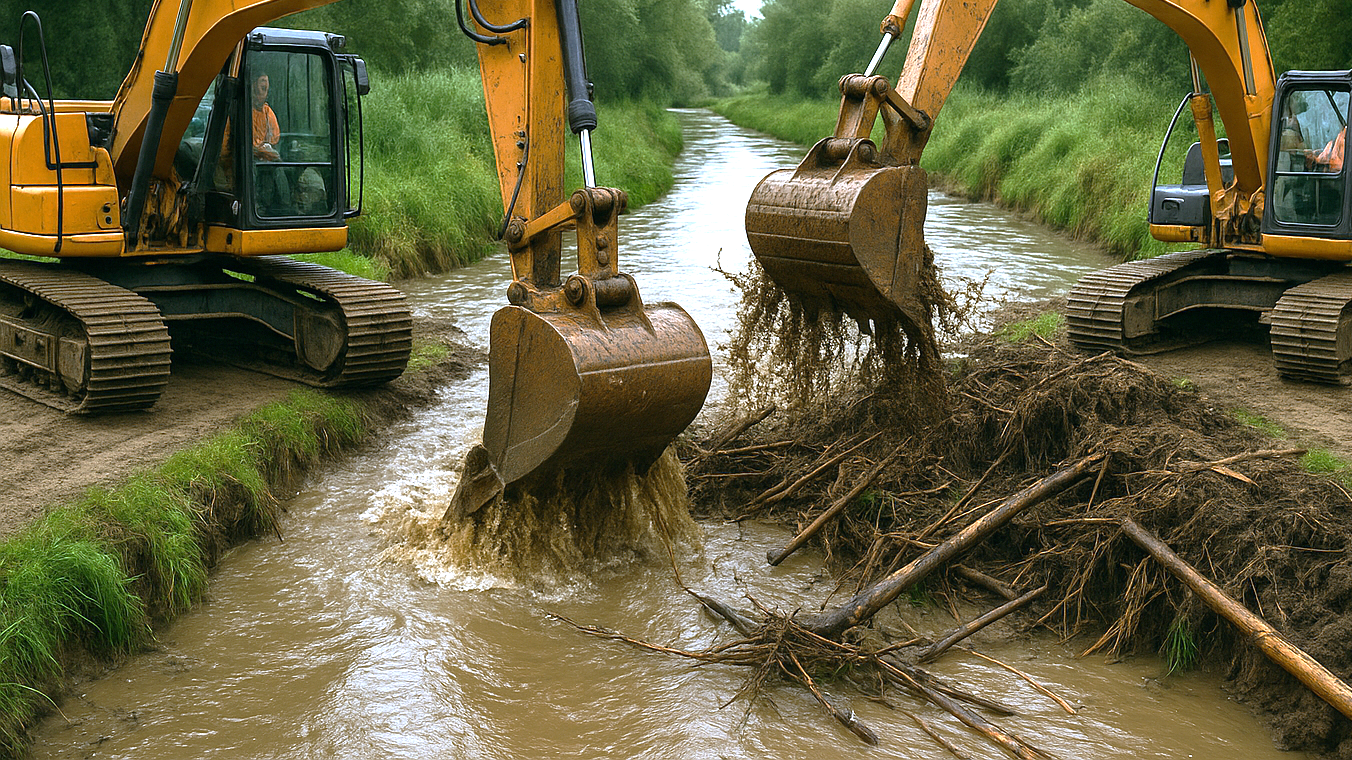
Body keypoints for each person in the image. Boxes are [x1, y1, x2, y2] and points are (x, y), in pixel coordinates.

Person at [252, 73, 281, 161]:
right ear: (252, 87)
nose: (265, 93)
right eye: (263, 88)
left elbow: (274, 139)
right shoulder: (238, 111)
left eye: (266, 89)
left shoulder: (267, 112)